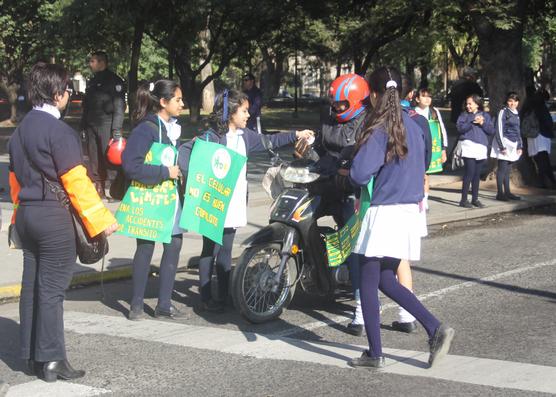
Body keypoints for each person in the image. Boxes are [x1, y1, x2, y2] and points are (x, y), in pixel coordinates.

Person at [8, 62, 118, 382]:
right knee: (52, 291)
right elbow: (76, 182)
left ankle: (29, 355)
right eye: (68, 89)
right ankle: (53, 359)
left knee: (32, 287)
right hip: (53, 218)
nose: (69, 95)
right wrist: (101, 221)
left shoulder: (20, 132)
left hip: (27, 214)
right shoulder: (60, 132)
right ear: (57, 94)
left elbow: (15, 181)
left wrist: (18, 217)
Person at [348, 66, 454, 369]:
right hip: (410, 209)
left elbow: (359, 173)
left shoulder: (380, 128)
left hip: (384, 210)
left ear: (374, 94)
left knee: (368, 279)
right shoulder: (415, 124)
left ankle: (375, 353)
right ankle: (434, 327)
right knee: (384, 278)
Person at [178, 89, 313, 312]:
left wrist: (296, 134)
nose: (248, 115)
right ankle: (205, 297)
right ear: (230, 112)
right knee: (209, 249)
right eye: (244, 111)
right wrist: (194, 179)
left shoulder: (245, 136)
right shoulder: (212, 137)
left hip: (233, 203)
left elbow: (269, 140)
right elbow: (185, 153)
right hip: (213, 201)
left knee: (226, 251)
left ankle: (223, 296)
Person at [295, 73, 369, 336]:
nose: (336, 109)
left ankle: (361, 309)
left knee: (355, 246)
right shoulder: (327, 115)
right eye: (334, 104)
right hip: (325, 180)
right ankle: (317, 271)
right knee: (301, 219)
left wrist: (349, 170)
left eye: (342, 105)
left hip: (352, 189)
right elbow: (324, 150)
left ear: (357, 101)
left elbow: (366, 159)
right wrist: (309, 150)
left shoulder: (367, 122)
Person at [122, 80, 185, 320]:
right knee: (146, 247)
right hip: (149, 199)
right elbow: (131, 165)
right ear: (163, 102)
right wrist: (164, 173)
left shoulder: (172, 128)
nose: (182, 104)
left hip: (170, 199)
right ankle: (136, 305)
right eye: (177, 99)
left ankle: (164, 305)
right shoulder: (145, 129)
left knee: (174, 245)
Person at [81, 51, 126, 200]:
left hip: (107, 123)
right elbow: (86, 105)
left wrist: (116, 129)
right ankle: (99, 186)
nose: (90, 64)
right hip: (92, 123)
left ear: (102, 62)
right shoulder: (92, 80)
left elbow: (119, 106)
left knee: (110, 156)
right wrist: (83, 125)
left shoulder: (114, 81)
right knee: (94, 156)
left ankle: (114, 188)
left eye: (93, 61)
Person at [456, 94, 495, 208]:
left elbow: (491, 130)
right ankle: (463, 199)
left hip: (481, 147)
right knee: (469, 172)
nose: (468, 106)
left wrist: (482, 123)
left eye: (470, 104)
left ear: (477, 104)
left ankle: (475, 199)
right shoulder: (464, 115)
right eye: (467, 104)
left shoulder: (485, 115)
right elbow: (460, 128)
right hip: (468, 145)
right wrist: (472, 121)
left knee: (477, 174)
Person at [414, 87, 449, 209]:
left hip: (431, 147)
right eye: (424, 96)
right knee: (418, 174)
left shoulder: (434, 112)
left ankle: (425, 200)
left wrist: (443, 149)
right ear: (417, 98)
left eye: (429, 96)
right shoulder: (413, 112)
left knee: (426, 175)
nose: (427, 99)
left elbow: (441, 130)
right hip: (417, 148)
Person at [490, 92, 523, 200]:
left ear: (518, 102)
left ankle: (508, 192)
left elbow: (518, 130)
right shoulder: (503, 112)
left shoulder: (516, 113)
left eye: (515, 101)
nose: (512, 103)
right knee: (502, 169)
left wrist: (519, 145)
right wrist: (502, 146)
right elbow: (498, 129)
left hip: (513, 144)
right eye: (510, 101)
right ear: (507, 101)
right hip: (504, 143)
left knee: (508, 170)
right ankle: (500, 193)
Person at [520, 90, 555, 188]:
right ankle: (548, 182)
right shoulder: (541, 107)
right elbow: (548, 122)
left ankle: (545, 181)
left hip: (532, 136)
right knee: (544, 161)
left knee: (539, 161)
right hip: (541, 136)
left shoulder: (528, 106)